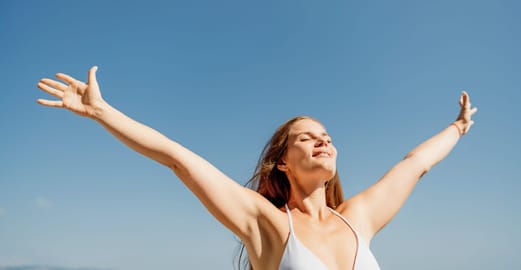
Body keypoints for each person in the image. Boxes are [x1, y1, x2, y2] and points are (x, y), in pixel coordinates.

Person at [37, 66, 477, 270]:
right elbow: (178, 158)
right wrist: (103, 113)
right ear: (282, 162)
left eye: (326, 135)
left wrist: (458, 127)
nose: (323, 139)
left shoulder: (358, 219)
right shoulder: (267, 225)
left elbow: (415, 164)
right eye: (306, 137)